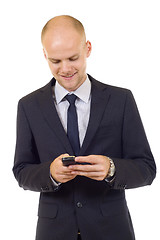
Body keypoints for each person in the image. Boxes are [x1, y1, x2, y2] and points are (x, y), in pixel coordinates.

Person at [13, 15, 156, 240]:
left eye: (73, 58)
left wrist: (111, 169)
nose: (66, 69)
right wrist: (50, 173)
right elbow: (21, 171)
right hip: (54, 232)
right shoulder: (29, 106)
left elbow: (146, 169)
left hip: (111, 230)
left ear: (87, 48)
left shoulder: (121, 100)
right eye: (55, 61)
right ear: (44, 55)